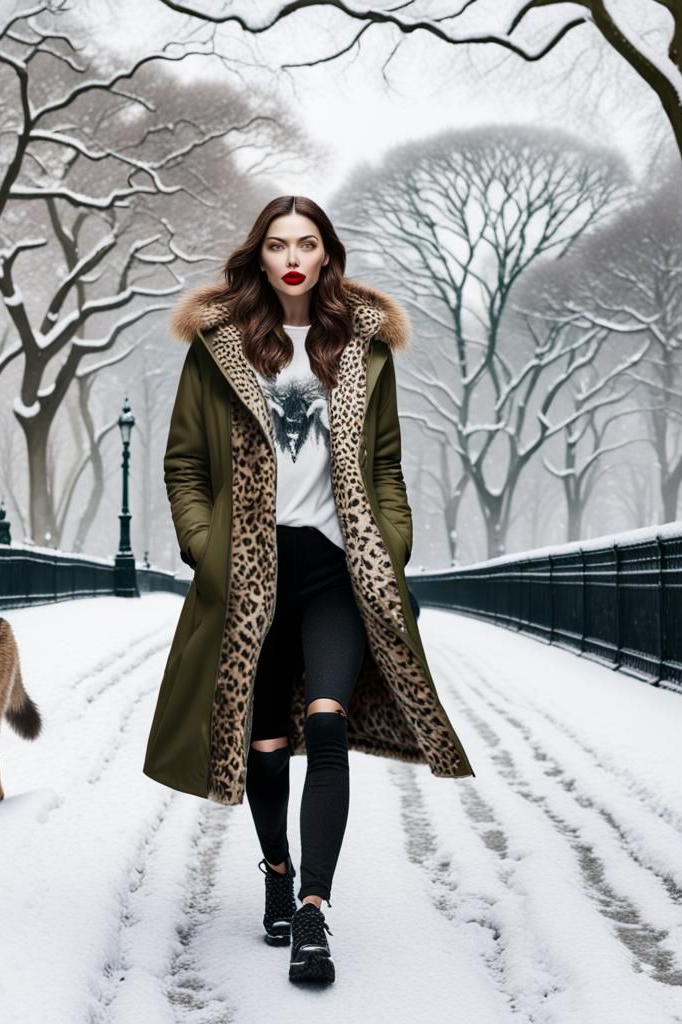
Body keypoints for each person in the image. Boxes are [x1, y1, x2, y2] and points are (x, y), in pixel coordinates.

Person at [143, 195, 475, 985]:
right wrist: (206, 550)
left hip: (338, 570)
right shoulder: (219, 347)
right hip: (250, 572)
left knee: (325, 726)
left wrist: (388, 545)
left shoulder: (363, 348)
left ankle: (314, 914)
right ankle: (278, 869)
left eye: (308, 243)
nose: (293, 257)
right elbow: (184, 466)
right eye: (277, 244)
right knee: (264, 744)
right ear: (259, 256)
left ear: (328, 255)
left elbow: (386, 466)